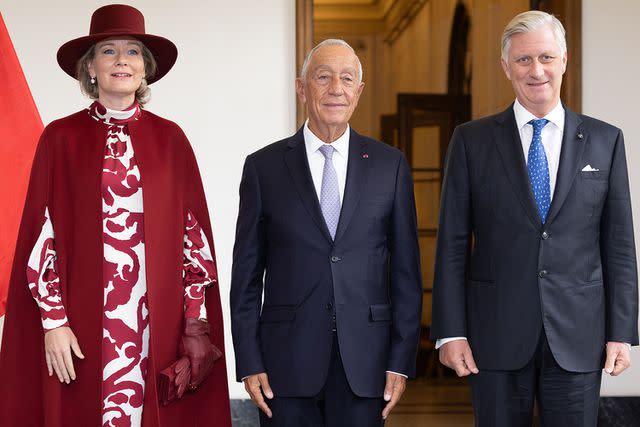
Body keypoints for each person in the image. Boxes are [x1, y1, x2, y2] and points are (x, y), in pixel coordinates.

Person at [0, 5, 231, 426]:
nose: (122, 60)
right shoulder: (60, 138)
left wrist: (195, 325)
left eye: (133, 52)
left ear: (146, 70)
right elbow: (40, 237)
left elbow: (192, 243)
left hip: (154, 328)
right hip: (81, 330)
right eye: (108, 51)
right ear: (90, 69)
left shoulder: (171, 139)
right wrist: (54, 322)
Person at [431, 10, 638, 426]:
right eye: (523, 60)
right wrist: (451, 331)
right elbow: (452, 243)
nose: (536, 70)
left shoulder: (605, 140)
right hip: (495, 336)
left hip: (579, 336)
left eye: (545, 57)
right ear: (506, 67)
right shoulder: (472, 141)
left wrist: (622, 331)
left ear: (564, 60)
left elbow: (618, 245)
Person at [230, 39, 422, 426]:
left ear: (359, 92)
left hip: (366, 365)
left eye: (347, 78)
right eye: (323, 77)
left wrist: (400, 362)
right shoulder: (263, 167)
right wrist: (249, 362)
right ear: (301, 88)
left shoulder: (391, 166)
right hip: (284, 365)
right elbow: (246, 278)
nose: (336, 88)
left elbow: (406, 274)